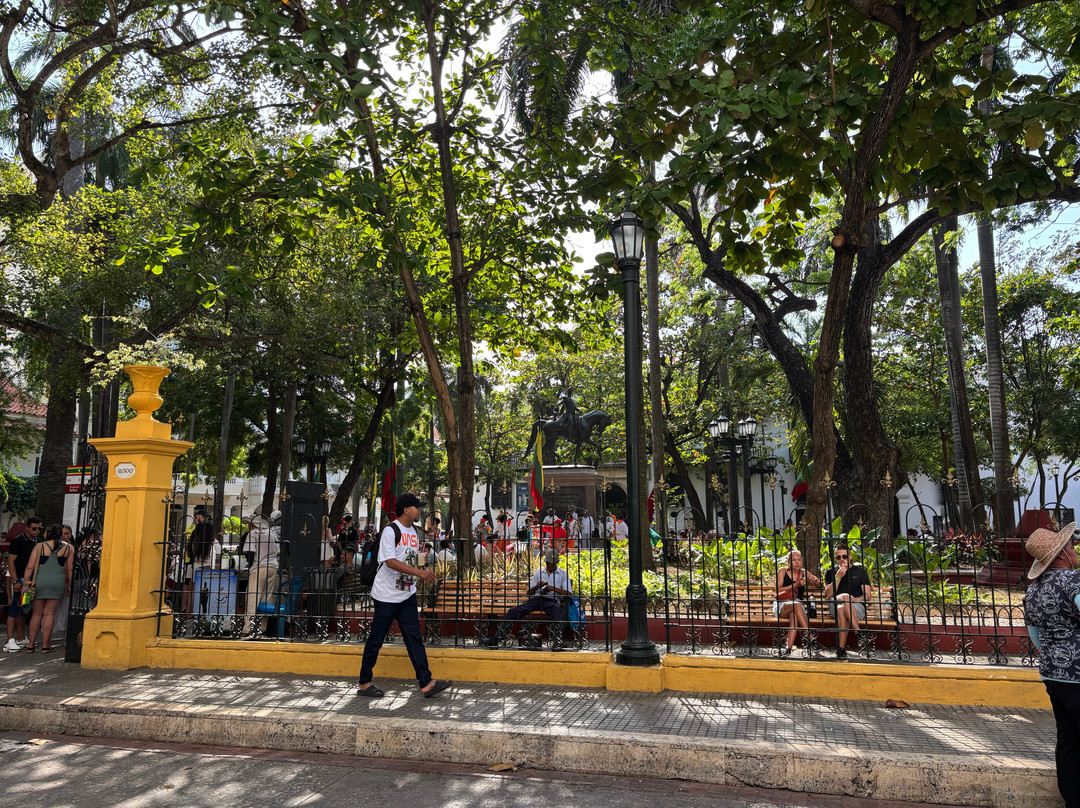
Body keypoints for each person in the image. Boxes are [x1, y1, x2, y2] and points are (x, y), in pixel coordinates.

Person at [357, 493, 451, 699]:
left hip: (406, 593)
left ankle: (426, 683)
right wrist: (419, 572)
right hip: (386, 595)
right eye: (417, 507)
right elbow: (389, 560)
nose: (420, 511)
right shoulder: (391, 530)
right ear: (407, 509)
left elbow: (408, 559)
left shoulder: (414, 532)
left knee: (414, 637)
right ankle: (364, 682)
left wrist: (420, 562)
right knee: (377, 638)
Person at [1023, 522, 1080, 808]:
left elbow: (1035, 637)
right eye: (1071, 546)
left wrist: (1058, 657)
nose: (1074, 549)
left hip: (1053, 675)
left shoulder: (1032, 592)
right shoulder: (1074, 582)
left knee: (1068, 739)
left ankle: (1073, 799)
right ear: (1061, 555)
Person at [480, 549, 573, 650]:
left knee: (557, 613)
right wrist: (537, 586)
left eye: (551, 563)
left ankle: (557, 642)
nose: (549, 565)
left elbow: (569, 593)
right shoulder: (539, 573)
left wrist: (551, 588)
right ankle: (496, 639)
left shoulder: (563, 574)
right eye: (547, 563)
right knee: (513, 611)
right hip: (537, 599)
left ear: (556, 562)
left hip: (552, 600)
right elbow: (529, 593)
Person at [23, 524, 73, 652]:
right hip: (57, 581)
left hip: (40, 580)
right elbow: (69, 569)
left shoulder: (39, 546)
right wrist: (70, 585)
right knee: (50, 614)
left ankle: (31, 645)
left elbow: (30, 566)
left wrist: (26, 583)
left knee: (37, 614)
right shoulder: (68, 548)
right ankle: (46, 645)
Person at [822, 542, 871, 659]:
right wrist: (838, 577)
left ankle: (841, 650)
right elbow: (828, 595)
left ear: (850, 556)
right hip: (835, 602)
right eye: (838, 557)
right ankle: (858, 632)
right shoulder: (831, 573)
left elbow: (867, 596)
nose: (841, 559)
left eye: (844, 556)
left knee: (842, 608)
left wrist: (853, 601)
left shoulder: (860, 572)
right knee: (844, 597)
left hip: (856, 607)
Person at [773, 548, 822, 657]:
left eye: (799, 560)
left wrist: (816, 581)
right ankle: (811, 639)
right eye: (794, 560)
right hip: (782, 604)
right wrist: (795, 585)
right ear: (788, 561)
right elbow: (776, 590)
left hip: (796, 605)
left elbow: (820, 584)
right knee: (797, 605)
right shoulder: (782, 571)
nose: (797, 562)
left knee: (795, 616)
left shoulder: (804, 572)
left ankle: (788, 649)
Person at [3, 518, 41, 652]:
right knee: (14, 609)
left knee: (23, 609)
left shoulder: (35, 542)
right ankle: (9, 639)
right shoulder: (18, 541)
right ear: (27, 528)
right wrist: (15, 581)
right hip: (19, 578)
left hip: (28, 580)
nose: (37, 531)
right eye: (34, 528)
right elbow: (11, 562)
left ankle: (20, 637)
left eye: (39, 529)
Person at [244, 511, 281, 636]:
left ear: (252, 525)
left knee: (252, 597)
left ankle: (248, 628)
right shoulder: (271, 533)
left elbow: (249, 552)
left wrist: (250, 565)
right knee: (266, 598)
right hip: (273, 566)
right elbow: (277, 551)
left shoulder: (253, 533)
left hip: (259, 567)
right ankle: (262, 627)